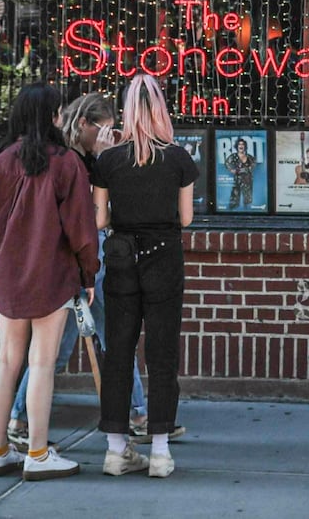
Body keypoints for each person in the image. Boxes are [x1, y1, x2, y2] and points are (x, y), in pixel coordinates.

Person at [9, 94, 151, 449]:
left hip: (89, 257)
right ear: (85, 124)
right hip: (85, 256)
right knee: (107, 337)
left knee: (86, 342)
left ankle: (20, 417)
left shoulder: (82, 156)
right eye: (103, 129)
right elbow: (87, 210)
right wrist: (104, 161)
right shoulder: (70, 159)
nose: (108, 135)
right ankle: (137, 413)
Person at [0, 84, 99, 480]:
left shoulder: (2, 160)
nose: (63, 116)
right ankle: (37, 452)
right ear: (52, 116)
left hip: (10, 274)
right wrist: (89, 274)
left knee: (6, 361)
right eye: (60, 111)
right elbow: (82, 230)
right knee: (42, 364)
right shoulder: (66, 163)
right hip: (52, 274)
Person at [91, 75, 199, 478]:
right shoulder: (179, 158)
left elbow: (100, 220)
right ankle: (159, 450)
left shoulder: (108, 161)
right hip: (164, 256)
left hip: (120, 257)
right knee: (162, 352)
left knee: (118, 350)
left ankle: (116, 449)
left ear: (126, 111)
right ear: (159, 110)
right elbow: (185, 219)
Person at [225, 137, 256, 208]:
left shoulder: (250, 157)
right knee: (234, 201)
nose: (241, 146)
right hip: (237, 181)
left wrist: (243, 170)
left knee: (247, 202)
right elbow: (227, 164)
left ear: (245, 146)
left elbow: (253, 165)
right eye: (239, 144)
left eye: (242, 144)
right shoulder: (233, 156)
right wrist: (232, 170)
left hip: (247, 181)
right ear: (237, 146)